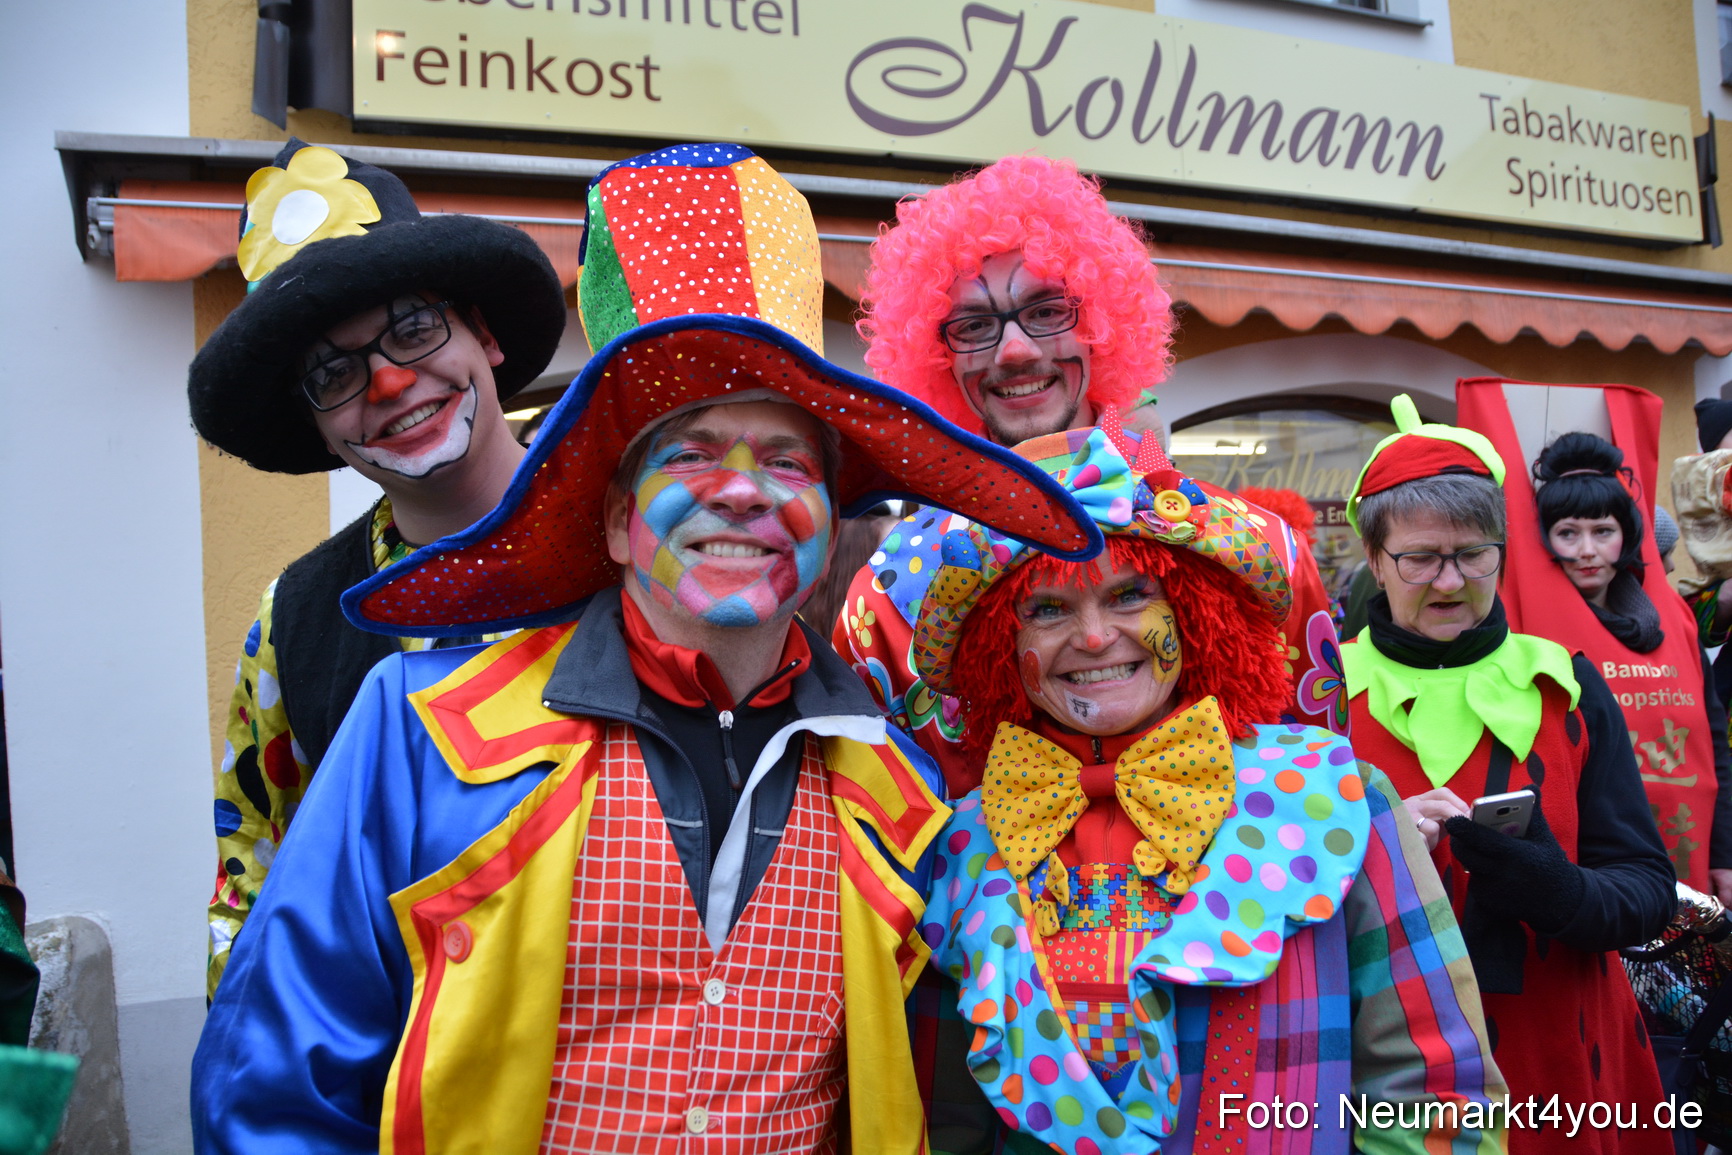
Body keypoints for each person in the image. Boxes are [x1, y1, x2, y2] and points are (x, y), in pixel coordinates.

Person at [191, 142, 1101, 1154]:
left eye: (788, 460)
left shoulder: (898, 797)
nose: (745, 490)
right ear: (618, 525)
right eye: (693, 453)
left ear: (829, 522)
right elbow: (276, 1085)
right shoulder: (413, 733)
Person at [907, 422, 1504, 1153]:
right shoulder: (960, 847)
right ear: (1004, 642)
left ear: (1192, 612)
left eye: (1129, 595)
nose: (1095, 637)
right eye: (1049, 607)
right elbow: (941, 1122)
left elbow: (1436, 1090)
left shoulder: (1337, 795)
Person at [834, 155, 1346, 797]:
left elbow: (1327, 782)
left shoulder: (1261, 551)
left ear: (1104, 324)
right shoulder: (883, 602)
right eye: (972, 326)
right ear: (935, 354)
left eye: (1048, 310)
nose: (1015, 350)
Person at [186, 139, 566, 995]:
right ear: (319, 427)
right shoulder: (297, 620)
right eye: (334, 372)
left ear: (486, 335)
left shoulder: (633, 533)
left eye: (414, 327)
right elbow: (254, 890)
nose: (391, 382)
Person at [1341, 397, 1674, 1154]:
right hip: (1391, 1074)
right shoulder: (1322, 697)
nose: (1451, 581)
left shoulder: (1568, 684)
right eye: (1421, 558)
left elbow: (1647, 887)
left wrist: (1563, 893)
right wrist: (1373, 850)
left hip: (1563, 1065)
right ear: (1373, 559)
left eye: (1474, 553)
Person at [1532, 433, 1732, 900]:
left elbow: (1713, 746)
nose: (1586, 550)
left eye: (1602, 531)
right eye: (1567, 533)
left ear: (1626, 535)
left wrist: (1724, 856)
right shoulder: (1530, 633)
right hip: (1592, 877)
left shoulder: (1676, 625)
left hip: (1689, 860)